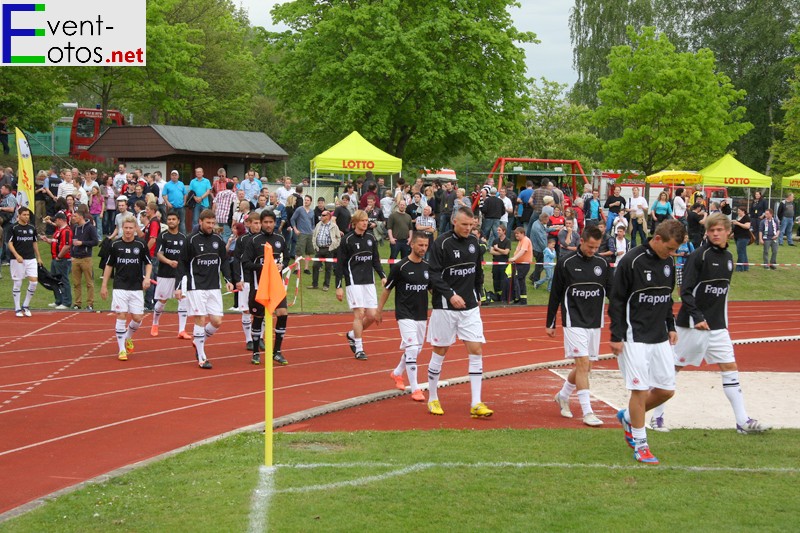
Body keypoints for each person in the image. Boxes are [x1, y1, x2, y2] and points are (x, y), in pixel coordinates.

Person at [650, 214, 770, 435]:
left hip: (718, 328)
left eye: (719, 230)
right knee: (672, 368)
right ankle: (656, 417)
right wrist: (697, 317)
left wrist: (721, 322)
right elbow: (684, 291)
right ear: (707, 231)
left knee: (730, 368)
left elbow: (721, 295)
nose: (715, 233)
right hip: (692, 326)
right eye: (711, 230)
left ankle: (742, 421)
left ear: (728, 232)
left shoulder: (729, 257)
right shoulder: (699, 256)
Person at [610, 219, 686, 465]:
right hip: (634, 336)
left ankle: (629, 418)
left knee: (666, 390)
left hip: (659, 336)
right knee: (639, 390)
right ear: (657, 239)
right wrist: (616, 335)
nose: (672, 254)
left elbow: (666, 297)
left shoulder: (668, 263)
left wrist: (671, 326)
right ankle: (641, 445)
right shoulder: (631, 261)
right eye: (670, 248)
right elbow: (617, 300)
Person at [425, 206, 492, 418]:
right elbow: (433, 274)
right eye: (464, 224)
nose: (468, 228)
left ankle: (476, 402)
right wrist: (450, 294)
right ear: (454, 222)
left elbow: (478, 271)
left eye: (471, 225)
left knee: (476, 349)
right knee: (440, 351)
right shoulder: (441, 243)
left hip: (470, 307)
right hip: (445, 307)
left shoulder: (474, 243)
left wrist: (479, 294)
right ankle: (433, 397)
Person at [548, 225, 611, 427]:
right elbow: (555, 294)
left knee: (586, 366)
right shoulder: (566, 263)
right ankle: (587, 412)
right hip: (573, 320)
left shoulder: (602, 263)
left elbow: (612, 292)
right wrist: (550, 322)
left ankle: (563, 395)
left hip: (594, 321)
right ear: (581, 241)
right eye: (590, 246)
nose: (593, 250)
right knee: (583, 364)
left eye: (597, 247)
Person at [175, 209, 234, 369]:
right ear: (200, 222)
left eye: (213, 223)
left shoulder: (218, 240)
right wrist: (179, 286)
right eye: (208, 223)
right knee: (200, 319)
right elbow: (182, 264)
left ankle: (198, 340)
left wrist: (228, 279)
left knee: (217, 321)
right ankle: (201, 357)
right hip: (196, 286)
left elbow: (224, 261)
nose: (210, 226)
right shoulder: (191, 240)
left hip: (214, 286)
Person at [376, 231, 431, 402]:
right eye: (420, 245)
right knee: (413, 348)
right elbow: (387, 289)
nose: (423, 248)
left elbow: (432, 290)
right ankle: (415, 389)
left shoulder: (427, 267)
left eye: (426, 245)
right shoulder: (400, 267)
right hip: (404, 313)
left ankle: (397, 373)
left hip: (421, 314)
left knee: (416, 349)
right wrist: (379, 310)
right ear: (412, 244)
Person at [335, 210, 386, 360]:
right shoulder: (347, 240)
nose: (365, 223)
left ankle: (351, 335)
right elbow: (340, 265)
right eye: (362, 220)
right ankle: (359, 348)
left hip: (368, 281)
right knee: (360, 314)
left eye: (366, 220)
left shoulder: (371, 238)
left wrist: (383, 276)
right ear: (355, 222)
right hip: (353, 281)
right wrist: (339, 286)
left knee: (371, 315)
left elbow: (375, 260)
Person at [100, 215, 152, 361]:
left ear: (135, 228)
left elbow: (148, 263)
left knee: (137, 318)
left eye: (131, 228)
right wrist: (104, 285)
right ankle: (122, 349)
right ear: (122, 228)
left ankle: (127, 337)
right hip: (120, 286)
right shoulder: (115, 245)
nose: (128, 230)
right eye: (126, 228)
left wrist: (147, 277)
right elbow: (109, 265)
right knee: (121, 315)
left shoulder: (141, 245)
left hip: (136, 287)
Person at [241, 210, 290, 365]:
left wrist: (282, 265)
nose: (268, 225)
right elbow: (245, 263)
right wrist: (264, 267)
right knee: (258, 317)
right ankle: (256, 352)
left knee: (282, 313)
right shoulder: (253, 241)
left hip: (276, 286)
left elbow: (287, 257)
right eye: (266, 222)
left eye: (271, 222)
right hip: (258, 285)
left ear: (275, 223)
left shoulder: (280, 239)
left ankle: (277, 351)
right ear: (261, 223)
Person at [150, 211, 191, 339]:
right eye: (169, 219)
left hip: (180, 274)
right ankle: (155, 323)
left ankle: (181, 330)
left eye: (174, 219)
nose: (171, 221)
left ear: (178, 221)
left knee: (183, 300)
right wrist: (169, 262)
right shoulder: (163, 236)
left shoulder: (183, 237)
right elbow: (159, 253)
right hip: (165, 273)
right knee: (162, 301)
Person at [7, 207, 42, 316]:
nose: (27, 217)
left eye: (28, 215)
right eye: (24, 215)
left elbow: (34, 243)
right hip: (17, 260)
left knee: (34, 282)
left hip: (31, 258)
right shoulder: (13, 228)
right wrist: (16, 255)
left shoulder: (32, 227)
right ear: (19, 215)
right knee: (18, 283)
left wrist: (39, 257)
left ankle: (25, 305)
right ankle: (17, 308)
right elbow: (9, 243)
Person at [70, 208, 99, 311]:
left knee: (89, 282)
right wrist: (72, 255)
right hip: (76, 258)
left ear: (81, 217)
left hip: (86, 258)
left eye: (75, 216)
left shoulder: (90, 228)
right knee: (76, 283)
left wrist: (82, 243)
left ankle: (90, 303)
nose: (73, 218)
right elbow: (71, 243)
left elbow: (95, 242)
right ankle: (77, 303)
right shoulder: (75, 228)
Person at [42, 212, 72, 309]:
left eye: (56, 220)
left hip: (62, 259)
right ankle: (59, 300)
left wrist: (59, 256)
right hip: (55, 258)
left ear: (60, 220)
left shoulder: (66, 231)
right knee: (54, 281)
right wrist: (47, 240)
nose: (55, 222)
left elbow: (67, 245)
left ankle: (66, 302)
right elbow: (56, 242)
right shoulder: (59, 231)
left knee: (63, 280)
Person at [309, 209, 341, 291]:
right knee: (315, 266)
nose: (321, 217)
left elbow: (338, 238)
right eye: (321, 215)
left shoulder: (334, 226)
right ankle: (314, 284)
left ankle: (326, 285)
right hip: (319, 249)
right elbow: (314, 236)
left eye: (323, 215)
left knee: (328, 268)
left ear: (328, 216)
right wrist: (315, 246)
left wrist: (333, 247)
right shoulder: (318, 225)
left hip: (329, 249)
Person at [291, 194, 315, 274]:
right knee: (299, 251)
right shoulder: (299, 209)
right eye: (305, 200)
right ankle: (297, 268)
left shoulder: (312, 211)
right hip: (301, 233)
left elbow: (313, 223)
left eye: (308, 200)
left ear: (311, 202)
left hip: (309, 233)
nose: (306, 201)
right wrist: (295, 229)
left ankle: (306, 268)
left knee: (308, 251)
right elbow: (292, 219)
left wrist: (313, 230)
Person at [508, 226, 533, 304]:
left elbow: (523, 251)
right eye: (515, 234)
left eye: (517, 234)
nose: (516, 236)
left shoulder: (525, 240)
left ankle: (521, 299)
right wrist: (514, 258)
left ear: (522, 233)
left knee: (519, 280)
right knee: (519, 280)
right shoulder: (521, 241)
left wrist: (514, 258)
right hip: (519, 264)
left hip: (524, 265)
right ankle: (521, 299)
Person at [488, 224, 511, 302]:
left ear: (504, 231)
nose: (497, 231)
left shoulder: (507, 241)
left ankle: (503, 296)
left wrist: (497, 249)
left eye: (499, 230)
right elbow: (491, 251)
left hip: (504, 264)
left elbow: (507, 252)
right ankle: (496, 296)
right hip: (495, 263)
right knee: (495, 280)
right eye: (497, 230)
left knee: (503, 280)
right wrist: (502, 252)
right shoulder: (495, 240)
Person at [731, 206, 751, 272]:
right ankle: (746, 267)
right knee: (743, 252)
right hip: (737, 237)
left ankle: (739, 268)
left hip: (744, 237)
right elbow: (737, 228)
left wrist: (737, 223)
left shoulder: (746, 218)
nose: (738, 212)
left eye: (739, 211)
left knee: (740, 252)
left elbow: (747, 226)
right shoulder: (738, 217)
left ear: (743, 211)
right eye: (738, 211)